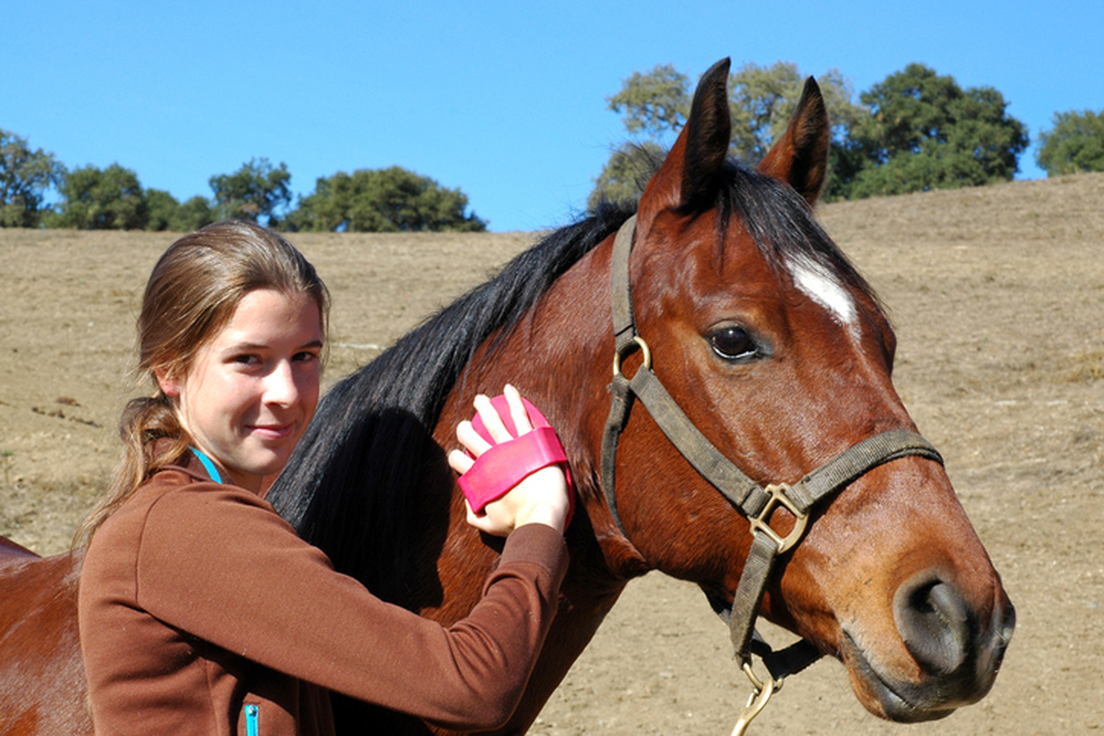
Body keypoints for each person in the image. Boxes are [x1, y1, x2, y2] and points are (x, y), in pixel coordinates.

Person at [76, 220, 571, 735]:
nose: (287, 393)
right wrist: (541, 521)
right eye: (249, 360)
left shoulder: (196, 516)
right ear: (170, 370)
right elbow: (474, 688)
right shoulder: (182, 525)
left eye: (304, 357)